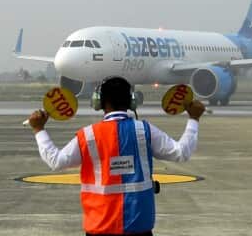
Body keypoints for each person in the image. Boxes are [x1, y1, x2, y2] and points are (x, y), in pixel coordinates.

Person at [28, 76, 205, 236]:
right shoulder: (144, 131)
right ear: (132, 102)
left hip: (100, 226)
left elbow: (56, 161)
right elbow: (181, 153)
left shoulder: (88, 135)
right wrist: (193, 119)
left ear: (99, 102)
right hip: (139, 227)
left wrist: (39, 129)